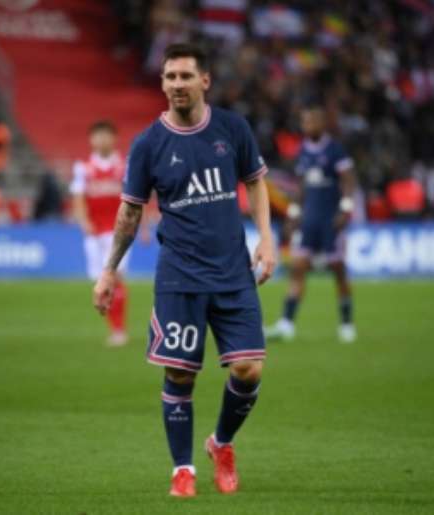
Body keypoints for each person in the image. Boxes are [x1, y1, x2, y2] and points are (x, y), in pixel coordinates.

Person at [93, 43, 275, 497]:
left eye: (185, 76)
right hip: (179, 276)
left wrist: (268, 239)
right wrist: (109, 270)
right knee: (180, 374)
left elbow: (255, 183)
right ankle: (183, 470)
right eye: (169, 77)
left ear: (204, 81)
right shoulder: (148, 145)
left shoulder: (232, 128)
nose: (176, 84)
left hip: (233, 272)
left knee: (249, 370)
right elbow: (129, 214)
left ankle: (222, 443)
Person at [264, 105, 357, 343]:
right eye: (305, 122)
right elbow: (300, 186)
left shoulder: (335, 150)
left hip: (331, 220)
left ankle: (346, 324)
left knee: (339, 271)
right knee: (297, 267)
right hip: (309, 220)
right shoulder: (303, 150)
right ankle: (286, 324)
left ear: (322, 123)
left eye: (313, 121)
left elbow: (348, 180)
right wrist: (294, 213)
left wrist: (346, 209)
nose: (309, 126)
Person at [71, 121, 129, 346]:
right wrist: (83, 221)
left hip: (119, 232)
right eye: (97, 136)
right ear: (91, 140)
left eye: (106, 135)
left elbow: (135, 199)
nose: (101, 140)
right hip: (94, 232)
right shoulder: (83, 168)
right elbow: (78, 197)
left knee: (117, 277)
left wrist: (141, 228)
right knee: (101, 281)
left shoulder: (124, 166)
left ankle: (118, 329)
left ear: (113, 138)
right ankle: (114, 327)